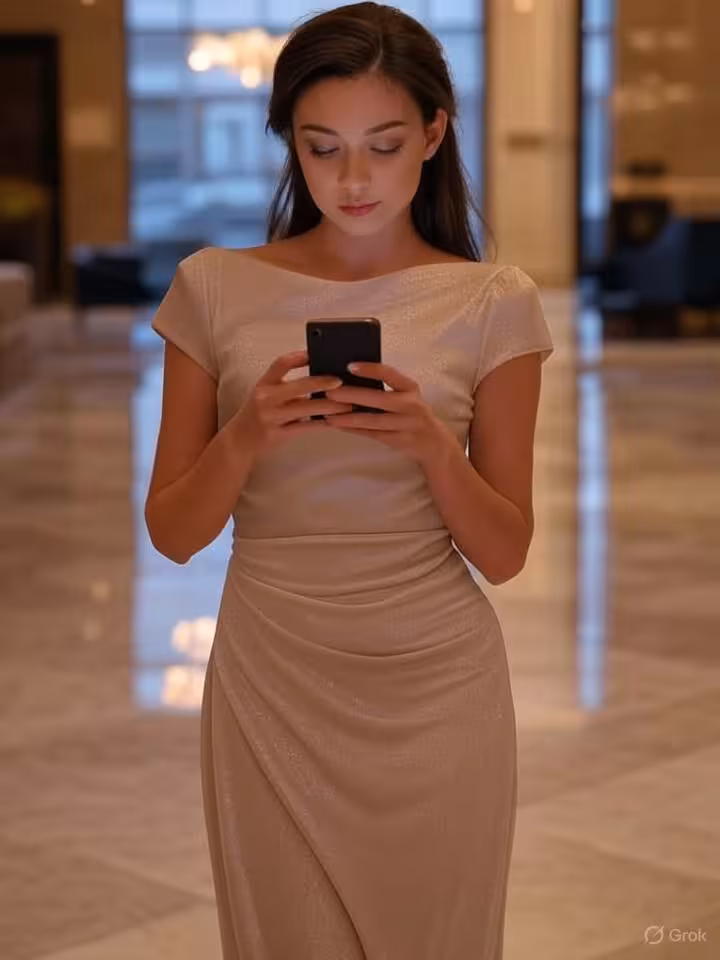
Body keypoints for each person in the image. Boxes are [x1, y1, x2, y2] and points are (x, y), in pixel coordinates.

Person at [145, 3, 554, 958]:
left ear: (435, 134)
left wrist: (428, 448)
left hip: (436, 687)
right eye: (323, 148)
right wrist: (244, 438)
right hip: (270, 675)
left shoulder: (493, 303)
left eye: (383, 144)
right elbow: (172, 531)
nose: (354, 178)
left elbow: (505, 551)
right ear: (291, 142)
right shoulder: (212, 289)